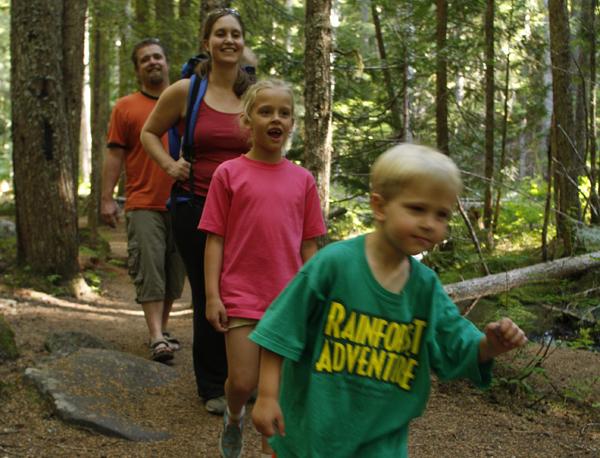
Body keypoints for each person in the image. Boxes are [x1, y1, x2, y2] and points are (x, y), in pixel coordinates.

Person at [250, 143, 529, 457]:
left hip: (381, 443)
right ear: (380, 206)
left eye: (442, 215)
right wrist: (268, 396)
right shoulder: (333, 265)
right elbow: (280, 328)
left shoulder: (426, 288)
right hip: (312, 434)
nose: (430, 223)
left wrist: (491, 346)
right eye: (417, 209)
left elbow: (456, 345)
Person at [199, 79, 327, 458]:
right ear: (248, 120)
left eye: (284, 113)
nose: (276, 118)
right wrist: (211, 295)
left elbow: (310, 244)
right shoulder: (228, 174)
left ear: (291, 124)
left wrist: (318, 294)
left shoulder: (303, 180)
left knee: (279, 393)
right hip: (240, 296)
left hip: (288, 301)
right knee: (242, 381)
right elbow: (215, 238)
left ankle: (273, 450)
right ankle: (234, 415)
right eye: (266, 111)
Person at [140, 8, 253, 414]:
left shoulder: (252, 94)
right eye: (220, 34)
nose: (228, 40)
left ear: (243, 43)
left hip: (247, 212)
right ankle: (212, 386)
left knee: (245, 294)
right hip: (197, 207)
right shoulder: (187, 90)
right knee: (210, 292)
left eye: (235, 34)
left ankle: (244, 376)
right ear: (206, 43)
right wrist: (170, 165)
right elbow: (149, 132)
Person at [101, 38, 186, 363]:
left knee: (173, 274)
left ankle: (162, 330)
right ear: (137, 69)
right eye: (145, 59)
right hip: (142, 202)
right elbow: (114, 156)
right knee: (149, 270)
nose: (153, 62)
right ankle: (155, 336)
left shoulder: (184, 100)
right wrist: (107, 199)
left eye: (157, 57)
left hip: (182, 202)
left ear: (166, 62)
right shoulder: (126, 107)